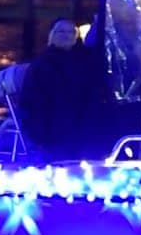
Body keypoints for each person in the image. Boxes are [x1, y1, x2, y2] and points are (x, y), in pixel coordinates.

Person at [18, 18, 108, 162]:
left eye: (70, 31)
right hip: (54, 131)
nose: (66, 35)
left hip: (82, 129)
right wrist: (40, 135)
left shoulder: (85, 61)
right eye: (61, 31)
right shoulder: (41, 65)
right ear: (52, 35)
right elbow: (31, 103)